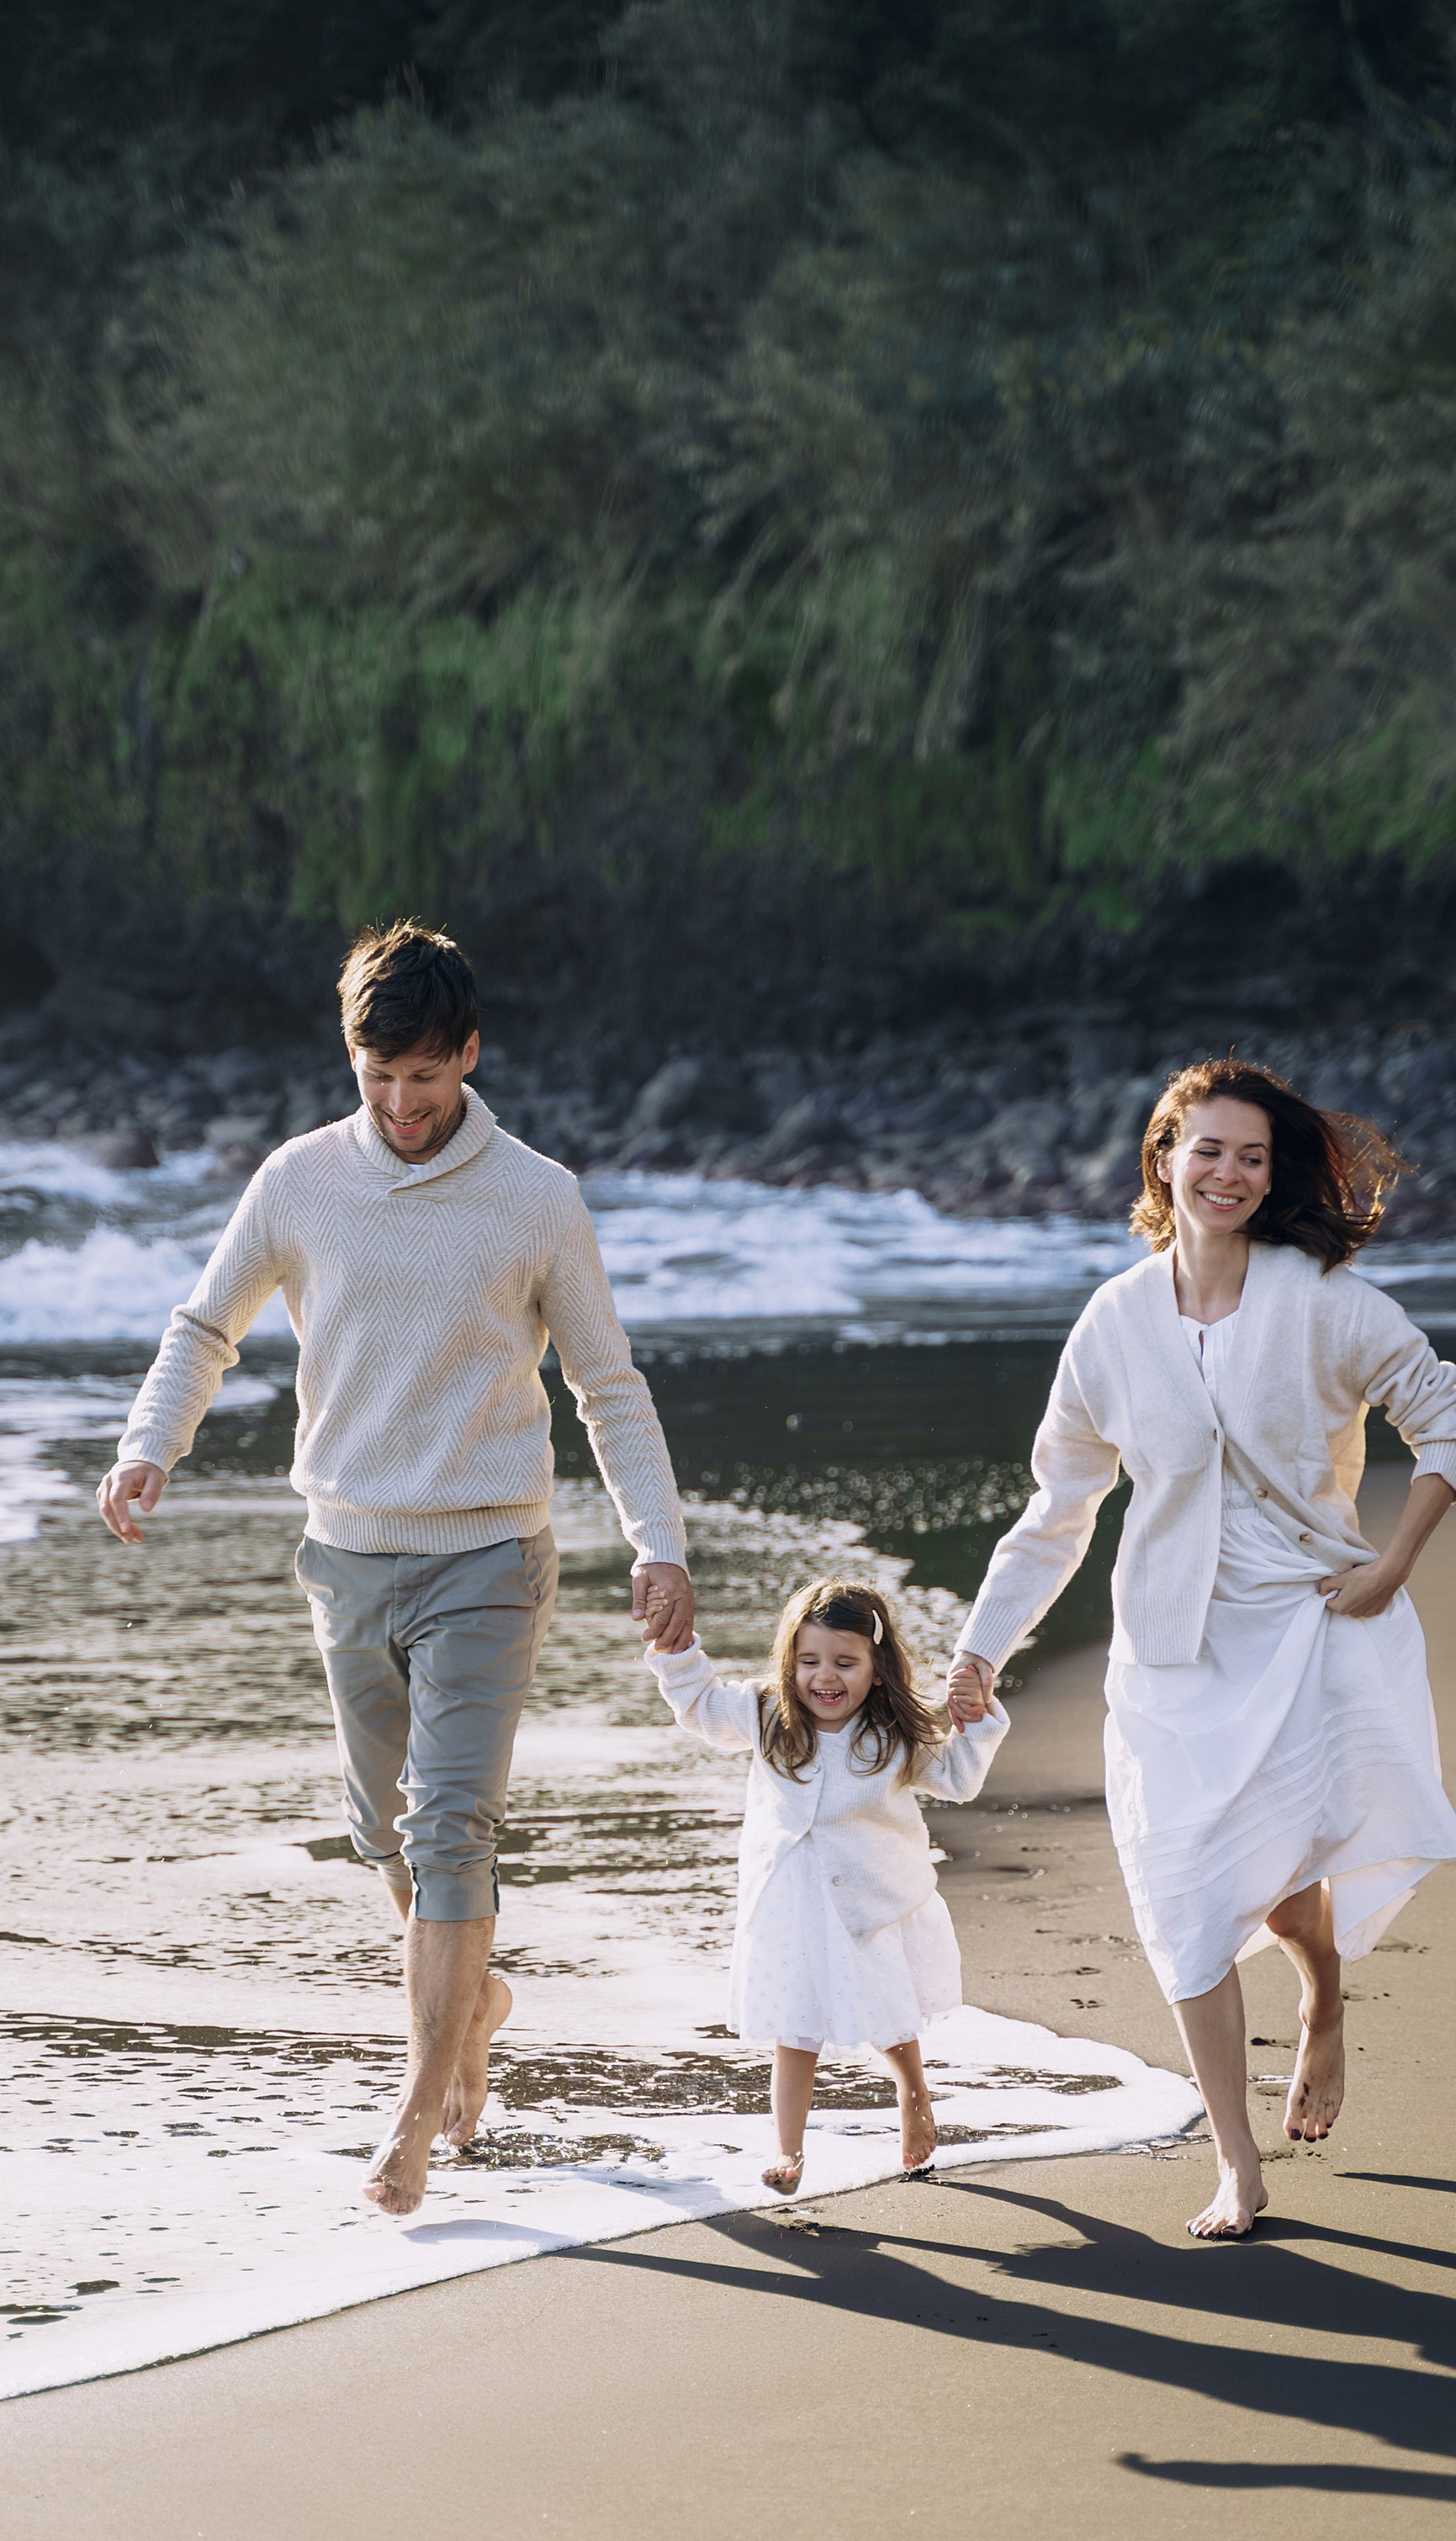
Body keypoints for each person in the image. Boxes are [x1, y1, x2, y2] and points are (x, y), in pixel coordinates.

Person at [97, 921, 695, 2220]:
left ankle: (420, 2111)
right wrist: (151, 1445)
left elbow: (607, 1385)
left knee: (448, 1829)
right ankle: (472, 1998)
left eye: (424, 1078)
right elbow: (207, 1325)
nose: (401, 1105)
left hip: (489, 1551)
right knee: (388, 1837)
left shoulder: (538, 1194)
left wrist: (660, 1543)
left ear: (469, 1055)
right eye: (377, 1078)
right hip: (347, 1555)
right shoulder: (299, 1181)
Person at [948, 1057, 1456, 2241]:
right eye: (1208, 1150)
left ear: (1271, 1171)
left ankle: (1323, 1988)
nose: (1229, 1172)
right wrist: (980, 1650)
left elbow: (1445, 1416)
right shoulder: (1113, 1324)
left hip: (1305, 1625)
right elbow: (1057, 1512)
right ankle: (1237, 2159)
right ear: (1164, 1160)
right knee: (1186, 1900)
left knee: (1290, 1891)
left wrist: (1391, 1563)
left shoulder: (1324, 1299)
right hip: (1169, 1659)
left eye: (1252, 1155)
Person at [648, 1576, 1009, 2194]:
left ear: (876, 1667)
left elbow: (959, 1778)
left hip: (871, 1904)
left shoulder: (893, 1732)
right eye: (810, 1661)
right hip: (792, 1905)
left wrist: (973, 1718)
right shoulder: (765, 1713)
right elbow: (699, 1706)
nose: (826, 1677)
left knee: (889, 2017)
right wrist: (675, 1649)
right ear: (790, 1663)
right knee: (796, 2032)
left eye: (845, 1662)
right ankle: (788, 2153)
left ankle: (912, 2089)